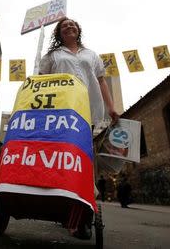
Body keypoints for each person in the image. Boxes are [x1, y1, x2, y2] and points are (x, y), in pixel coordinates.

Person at [39, 17, 119, 239]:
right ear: (59, 33)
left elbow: (102, 81)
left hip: (88, 113)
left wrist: (112, 108)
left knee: (85, 157)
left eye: (73, 24)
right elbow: (41, 80)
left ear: (78, 29)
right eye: (64, 25)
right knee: (62, 156)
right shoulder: (53, 56)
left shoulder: (91, 55)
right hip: (60, 112)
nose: (69, 26)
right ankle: (60, 202)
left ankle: (82, 210)